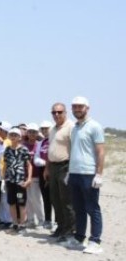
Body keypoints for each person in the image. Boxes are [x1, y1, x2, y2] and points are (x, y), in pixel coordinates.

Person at [67, 96, 105, 254]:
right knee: (78, 208)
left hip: (88, 174)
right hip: (74, 173)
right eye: (74, 107)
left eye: (80, 107)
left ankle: (95, 241)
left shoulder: (95, 126)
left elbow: (101, 151)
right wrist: (69, 171)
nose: (77, 109)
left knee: (92, 208)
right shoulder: (75, 127)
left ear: (87, 108)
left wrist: (99, 174)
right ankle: (79, 238)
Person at [44, 103, 75, 242]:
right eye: (54, 112)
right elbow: (51, 149)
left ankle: (69, 231)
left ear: (65, 112)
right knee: (55, 199)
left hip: (66, 166)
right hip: (53, 167)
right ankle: (60, 227)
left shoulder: (71, 127)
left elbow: (75, 149)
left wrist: (72, 169)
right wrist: (47, 168)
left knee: (67, 200)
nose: (56, 115)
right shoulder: (52, 129)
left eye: (59, 112)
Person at [3, 128, 32, 235]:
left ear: (20, 137)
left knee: (21, 203)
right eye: (11, 135)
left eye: (15, 135)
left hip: (20, 181)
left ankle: (22, 225)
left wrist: (28, 179)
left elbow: (29, 165)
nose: (13, 137)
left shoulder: (24, 149)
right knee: (11, 202)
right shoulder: (7, 150)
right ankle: (15, 224)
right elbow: (5, 166)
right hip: (10, 180)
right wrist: (3, 180)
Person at [23, 123, 45, 228]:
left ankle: (41, 220)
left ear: (37, 133)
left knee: (36, 199)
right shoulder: (23, 145)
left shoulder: (39, 144)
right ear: (27, 133)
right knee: (28, 199)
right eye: (30, 131)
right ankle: (31, 220)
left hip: (36, 175)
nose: (32, 134)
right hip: (25, 176)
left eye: (34, 132)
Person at [34, 121, 53, 230]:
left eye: (47, 128)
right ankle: (48, 220)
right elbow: (36, 159)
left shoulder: (54, 140)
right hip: (42, 171)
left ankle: (59, 221)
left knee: (55, 198)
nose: (45, 131)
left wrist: (48, 163)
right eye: (43, 129)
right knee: (46, 197)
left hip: (54, 171)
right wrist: (46, 163)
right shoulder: (41, 142)